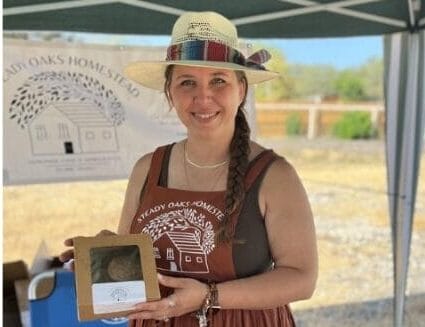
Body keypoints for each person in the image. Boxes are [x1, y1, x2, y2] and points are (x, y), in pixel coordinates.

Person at [61, 11, 317, 327]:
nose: (203, 96)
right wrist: (103, 258)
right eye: (187, 82)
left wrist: (209, 296)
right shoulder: (148, 168)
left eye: (218, 81)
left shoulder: (274, 176)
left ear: (242, 91)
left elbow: (302, 278)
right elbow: (135, 269)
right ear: (170, 93)